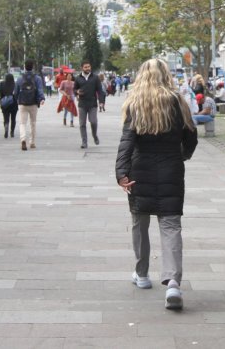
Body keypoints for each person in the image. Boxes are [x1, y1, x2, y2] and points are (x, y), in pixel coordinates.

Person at [115, 58, 199, 311]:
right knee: (171, 225)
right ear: (166, 74)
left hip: (140, 170)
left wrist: (121, 173)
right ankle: (173, 281)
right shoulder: (177, 101)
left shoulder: (135, 103)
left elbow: (126, 142)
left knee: (139, 223)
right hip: (172, 169)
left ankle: (141, 274)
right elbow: (191, 135)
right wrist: (183, 154)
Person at [13, 61, 47, 151]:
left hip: (22, 104)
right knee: (33, 123)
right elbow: (40, 90)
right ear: (33, 67)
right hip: (34, 103)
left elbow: (15, 92)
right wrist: (42, 99)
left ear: (25, 67)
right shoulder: (37, 78)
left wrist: (16, 100)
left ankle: (23, 139)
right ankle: (32, 142)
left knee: (22, 123)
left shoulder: (20, 78)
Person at [74, 62, 106, 148]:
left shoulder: (95, 78)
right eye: (86, 67)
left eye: (89, 66)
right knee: (82, 124)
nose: (88, 68)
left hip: (92, 104)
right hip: (82, 104)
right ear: (82, 68)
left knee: (93, 121)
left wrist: (101, 101)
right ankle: (84, 142)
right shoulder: (78, 78)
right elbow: (74, 89)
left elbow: (100, 91)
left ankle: (94, 135)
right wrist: (77, 92)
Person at [0, 72, 19, 138]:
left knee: (6, 118)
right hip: (13, 103)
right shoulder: (14, 84)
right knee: (13, 118)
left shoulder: (2, 83)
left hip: (4, 103)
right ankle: (12, 132)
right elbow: (17, 92)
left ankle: (6, 126)